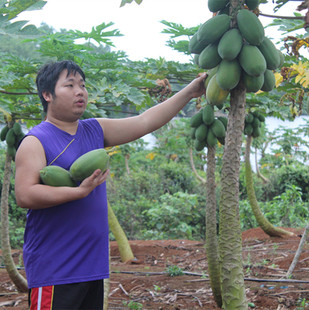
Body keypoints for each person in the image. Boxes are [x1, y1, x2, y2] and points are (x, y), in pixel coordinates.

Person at [14, 60, 207, 310]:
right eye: (70, 85)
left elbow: (145, 122)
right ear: (47, 95)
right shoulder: (35, 141)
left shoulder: (94, 130)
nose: (80, 91)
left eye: (82, 85)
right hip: (55, 269)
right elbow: (25, 195)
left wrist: (190, 91)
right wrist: (78, 192)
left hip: (92, 267)